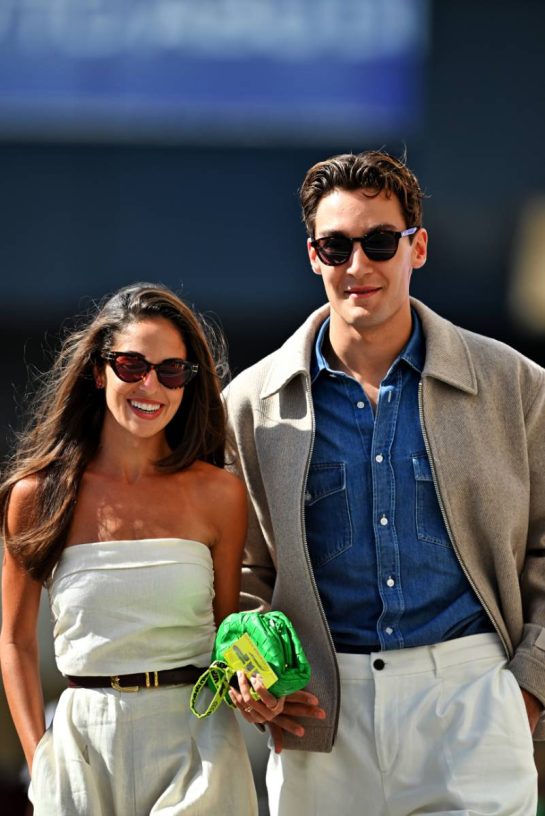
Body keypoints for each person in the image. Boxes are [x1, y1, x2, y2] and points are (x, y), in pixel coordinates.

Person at [225, 150, 545, 815]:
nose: (357, 266)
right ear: (312, 255)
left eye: (378, 242)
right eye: (336, 246)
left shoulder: (514, 385)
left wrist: (526, 692)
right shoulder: (250, 403)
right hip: (320, 712)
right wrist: (249, 672)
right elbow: (242, 572)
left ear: (416, 247)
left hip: (472, 701)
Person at [0, 282, 258, 815]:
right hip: (81, 752)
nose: (151, 385)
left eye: (171, 371)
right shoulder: (36, 496)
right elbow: (15, 642)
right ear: (100, 371)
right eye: (132, 365)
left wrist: (262, 682)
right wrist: (41, 759)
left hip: (198, 742)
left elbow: (226, 632)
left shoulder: (220, 495)